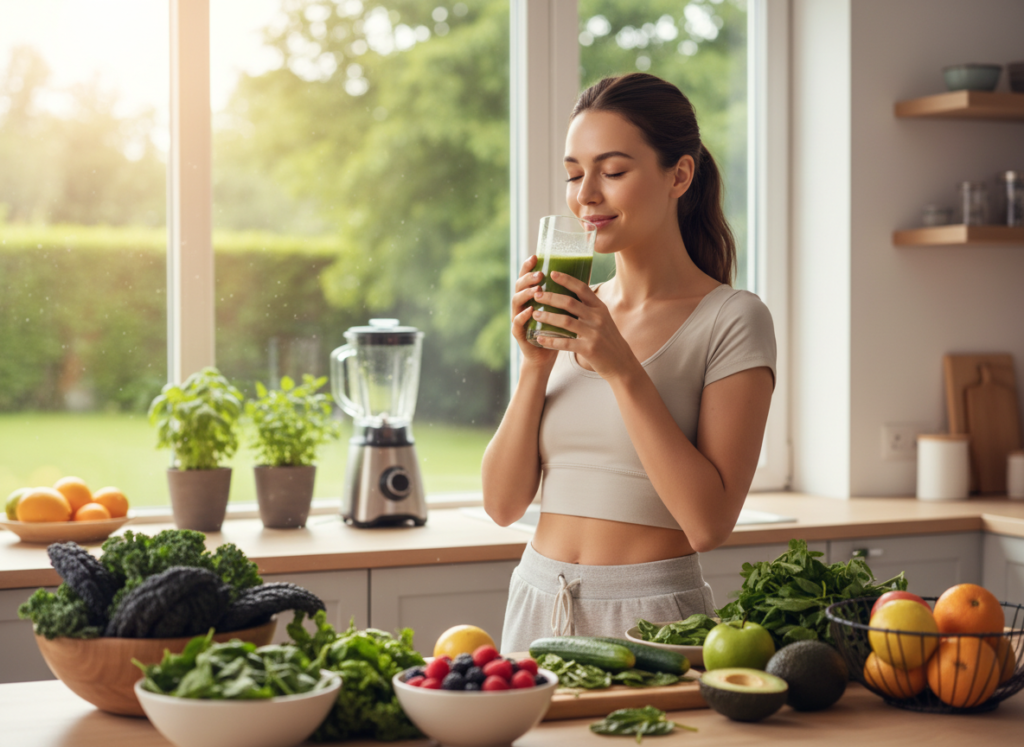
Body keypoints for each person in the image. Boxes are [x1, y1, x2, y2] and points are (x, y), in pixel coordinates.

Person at [482, 73, 776, 654]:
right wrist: (535, 366)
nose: (585, 193)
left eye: (612, 171)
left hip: (653, 622)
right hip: (537, 603)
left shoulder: (732, 319)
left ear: (680, 175)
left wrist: (621, 368)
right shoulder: (574, 314)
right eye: (573, 173)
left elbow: (708, 524)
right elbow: (502, 504)